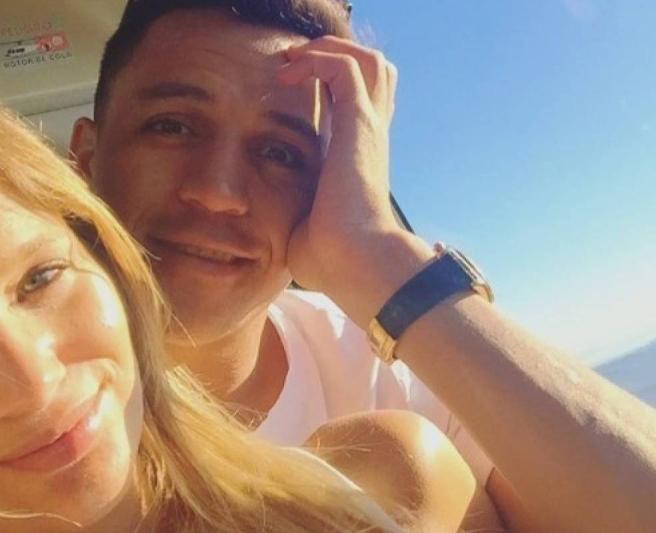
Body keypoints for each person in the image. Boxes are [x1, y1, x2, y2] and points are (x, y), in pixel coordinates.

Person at [69, 0, 656, 531]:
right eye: (172, 126)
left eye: (280, 152)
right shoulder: (29, 424)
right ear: (85, 159)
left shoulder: (397, 370)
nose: (219, 192)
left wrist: (375, 257)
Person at [0, 65, 478, 532]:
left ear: (102, 255)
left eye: (40, 278)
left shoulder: (384, 487)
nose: (33, 382)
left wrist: (381, 261)